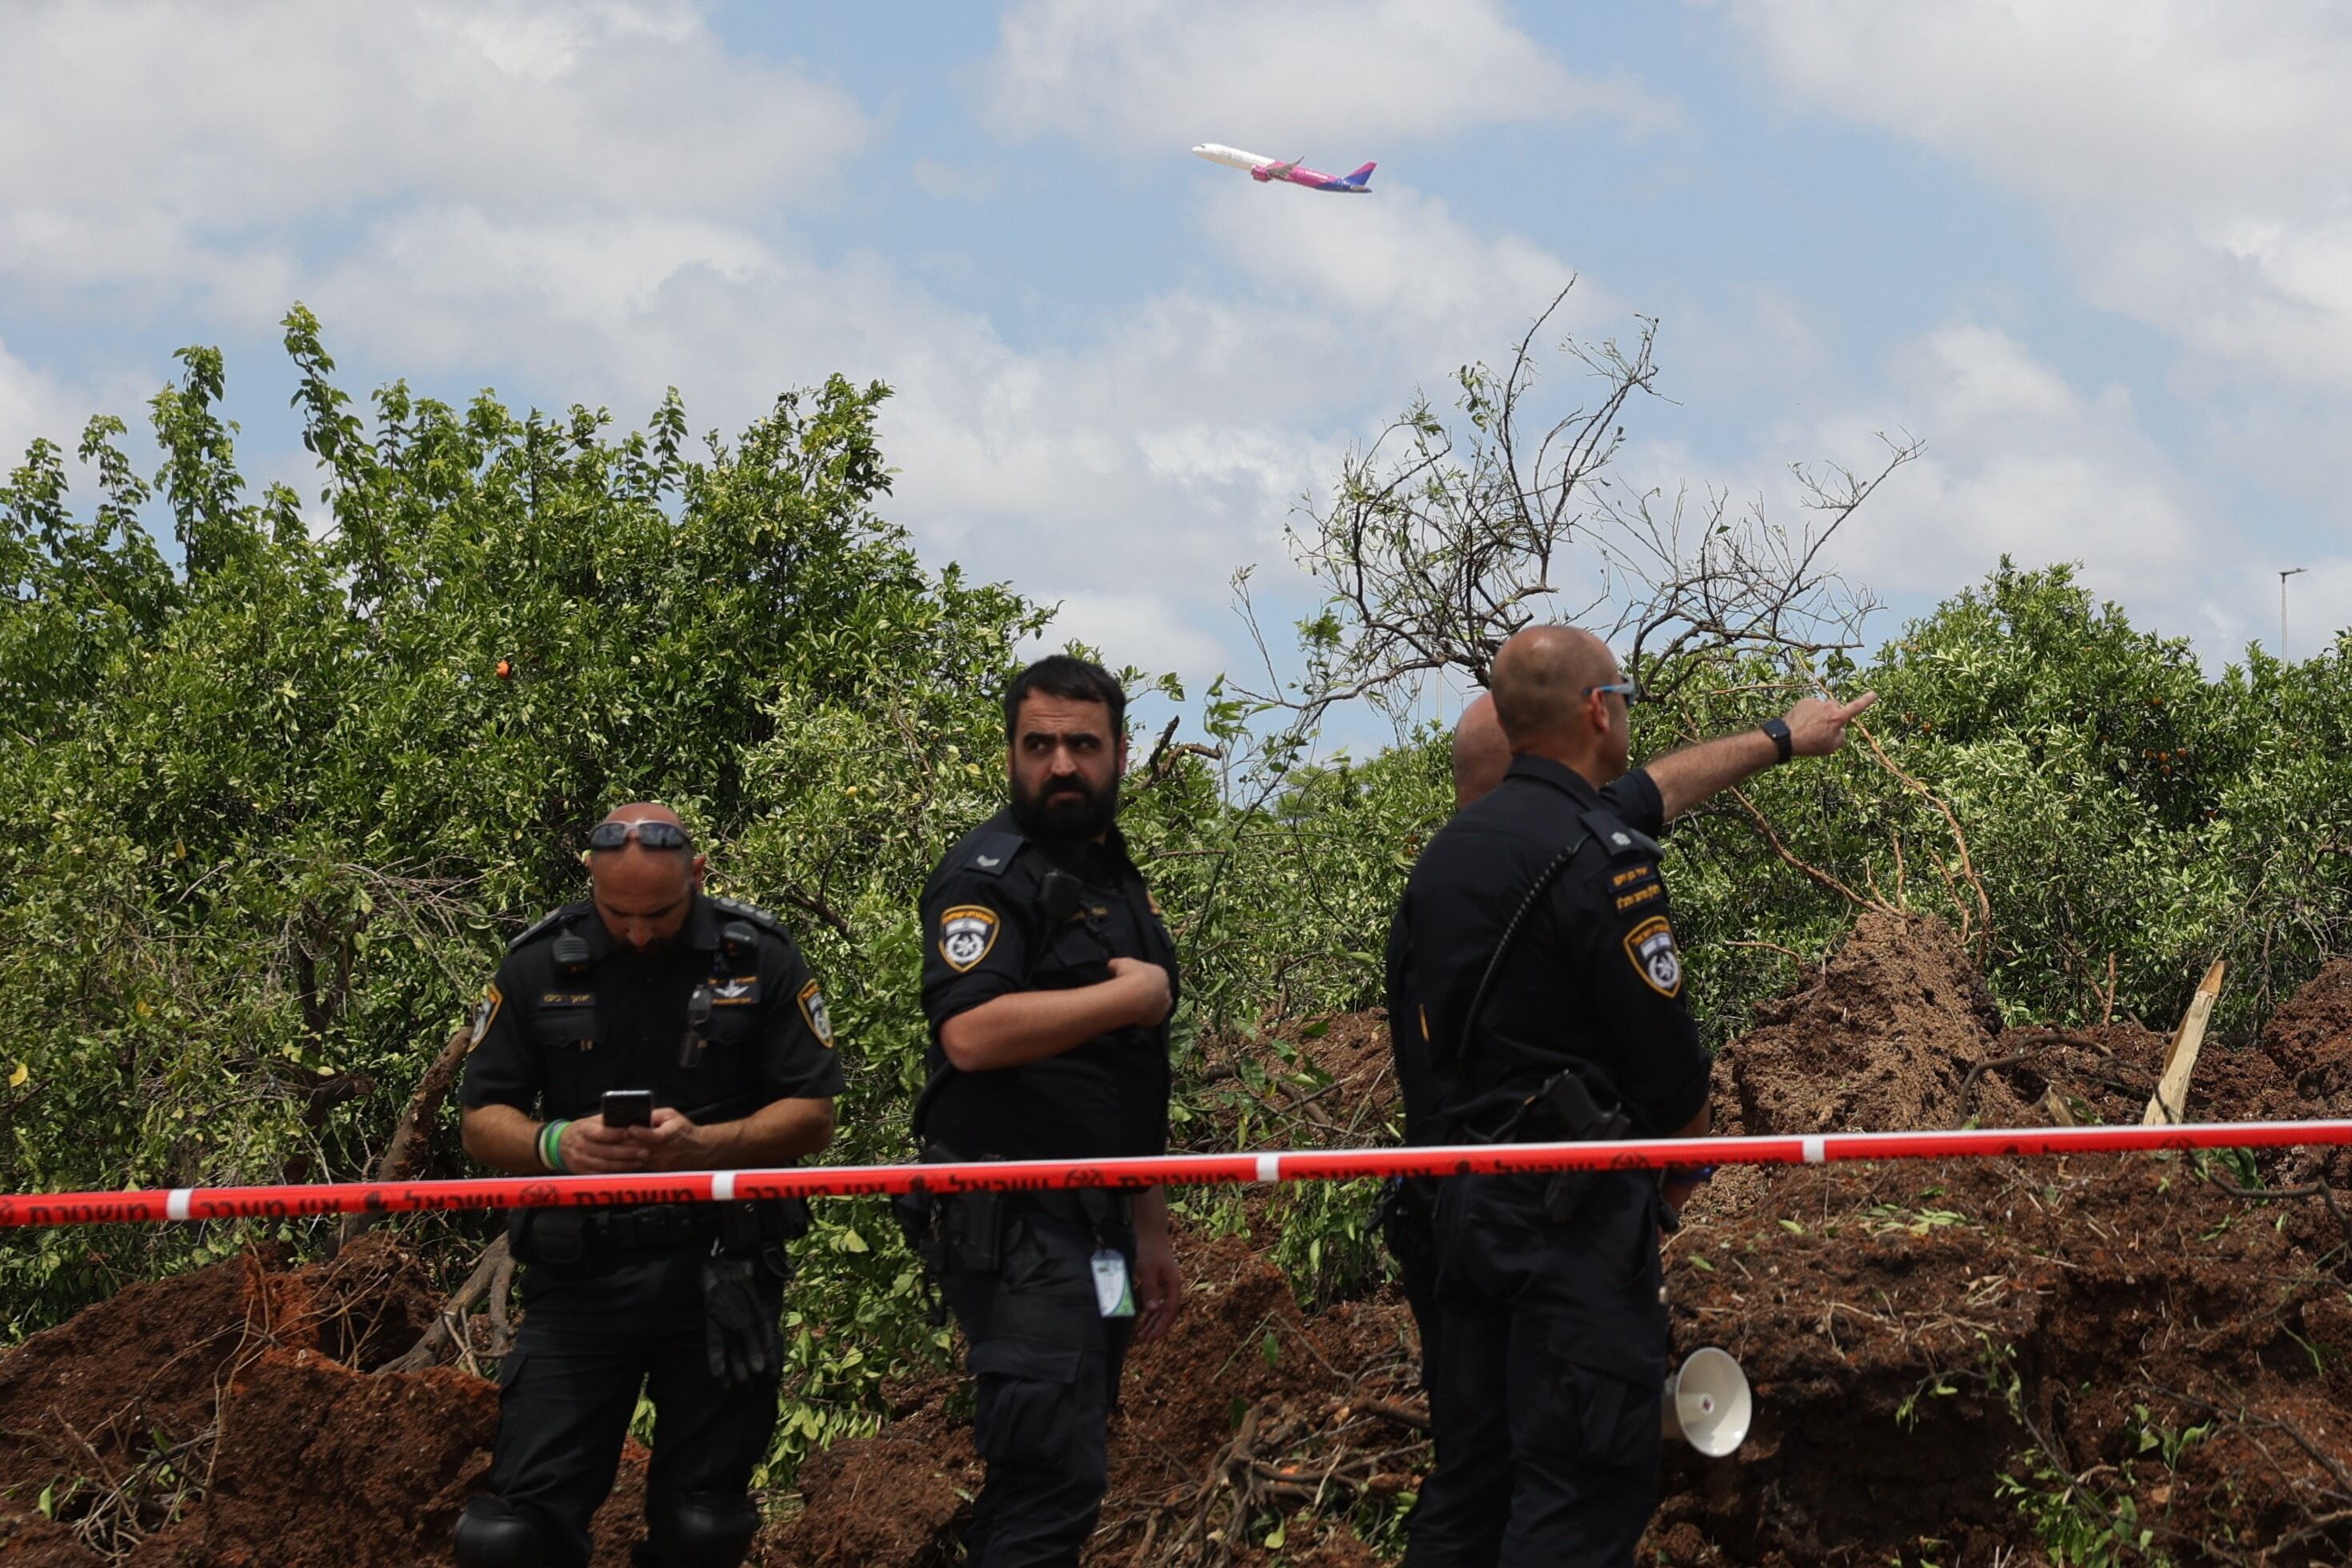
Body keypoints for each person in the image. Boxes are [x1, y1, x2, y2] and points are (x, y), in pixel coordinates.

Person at [1393, 632, 1872, 1566]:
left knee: (1471, 1487)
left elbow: (1659, 789)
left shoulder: (1447, 859)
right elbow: (1670, 1072)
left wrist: (1784, 734)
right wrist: (1672, 1188)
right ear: (1594, 709)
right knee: (1578, 1489)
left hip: (1459, 1217)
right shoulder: (1600, 859)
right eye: (1625, 693)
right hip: (1568, 1228)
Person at [451, 803, 844, 1568]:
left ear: (697, 875)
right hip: (579, 1276)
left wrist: (704, 1145)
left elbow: (813, 1115)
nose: (636, 932)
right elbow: (479, 1119)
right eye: (616, 911)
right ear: (590, 883)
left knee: (704, 1528)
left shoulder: (760, 956)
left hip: (719, 1272)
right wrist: (555, 1143)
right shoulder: (537, 962)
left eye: (658, 912)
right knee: (511, 1536)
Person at [910, 654, 1185, 1567]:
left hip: (1100, 1231)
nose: (1061, 764)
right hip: (1020, 1229)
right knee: (1045, 1472)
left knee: (1068, 1466)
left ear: (1118, 751)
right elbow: (973, 1035)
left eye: (1081, 744)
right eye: (1039, 745)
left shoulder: (1113, 876)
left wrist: (1151, 1223)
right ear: (1010, 752)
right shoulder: (990, 876)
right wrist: (1130, 996)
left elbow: (1131, 1072)